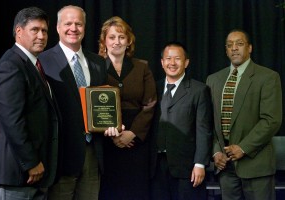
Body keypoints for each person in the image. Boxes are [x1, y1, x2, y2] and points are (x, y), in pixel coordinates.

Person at [0, 7, 59, 199]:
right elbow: (12, 121)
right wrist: (31, 162)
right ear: (19, 32)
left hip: (34, 174)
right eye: (35, 30)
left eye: (44, 30)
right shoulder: (11, 66)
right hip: (19, 174)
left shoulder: (32, 64)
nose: (41, 36)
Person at [38, 5, 107, 200]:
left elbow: (102, 103)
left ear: (85, 27)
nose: (73, 28)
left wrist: (110, 123)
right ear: (58, 28)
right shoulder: (43, 61)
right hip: (61, 157)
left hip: (93, 154)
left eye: (79, 24)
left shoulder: (98, 62)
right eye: (68, 23)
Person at [206, 29, 282, 200]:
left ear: (250, 48)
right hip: (225, 167)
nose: (234, 48)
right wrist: (216, 152)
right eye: (229, 45)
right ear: (226, 50)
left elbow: (271, 120)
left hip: (256, 165)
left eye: (239, 44)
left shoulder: (268, 77)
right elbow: (208, 121)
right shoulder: (213, 80)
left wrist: (243, 148)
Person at [98, 16, 157, 200]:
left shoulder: (142, 67)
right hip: (106, 138)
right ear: (104, 41)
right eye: (112, 37)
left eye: (122, 37)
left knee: (136, 190)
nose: (117, 42)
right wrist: (114, 134)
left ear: (129, 40)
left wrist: (133, 133)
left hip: (136, 139)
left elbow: (150, 103)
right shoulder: (94, 66)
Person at [150, 42, 213, 200]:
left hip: (187, 168)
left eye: (177, 59)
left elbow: (203, 130)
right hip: (155, 167)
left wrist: (200, 164)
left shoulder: (199, 90)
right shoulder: (152, 88)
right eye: (168, 58)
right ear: (162, 62)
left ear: (186, 62)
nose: (172, 63)